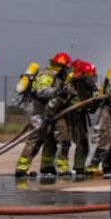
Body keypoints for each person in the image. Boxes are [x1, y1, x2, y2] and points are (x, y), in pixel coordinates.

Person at [16, 53, 71, 184]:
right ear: (62, 66)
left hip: (46, 110)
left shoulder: (58, 77)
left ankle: (47, 167)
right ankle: (21, 168)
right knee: (37, 137)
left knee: (50, 137)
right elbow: (42, 91)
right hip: (37, 109)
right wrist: (57, 92)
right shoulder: (47, 74)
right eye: (67, 67)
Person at [58, 59, 99, 178]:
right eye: (89, 77)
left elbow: (91, 109)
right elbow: (59, 102)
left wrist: (96, 100)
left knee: (83, 142)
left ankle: (79, 168)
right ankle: (62, 168)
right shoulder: (70, 86)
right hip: (66, 116)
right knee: (65, 141)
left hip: (79, 116)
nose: (91, 81)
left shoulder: (86, 89)